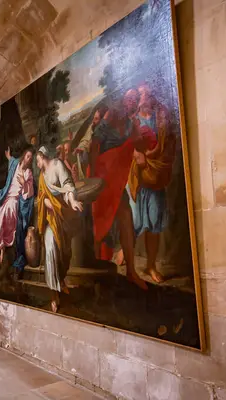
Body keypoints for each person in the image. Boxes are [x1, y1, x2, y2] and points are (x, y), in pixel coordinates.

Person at [89, 88, 149, 290]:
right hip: (101, 177)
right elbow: (95, 143)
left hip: (114, 180)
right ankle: (95, 272)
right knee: (98, 222)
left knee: (125, 215)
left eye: (136, 100)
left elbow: (138, 146)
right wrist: (93, 179)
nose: (132, 103)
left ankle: (131, 271)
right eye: (130, 99)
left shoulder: (132, 124)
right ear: (124, 100)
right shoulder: (111, 115)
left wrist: (141, 137)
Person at [127, 84, 176, 283]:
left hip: (155, 178)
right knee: (134, 221)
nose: (144, 96)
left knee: (154, 222)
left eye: (147, 93)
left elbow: (169, 144)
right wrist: (136, 155)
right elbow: (124, 147)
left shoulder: (161, 118)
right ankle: (128, 258)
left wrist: (152, 160)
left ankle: (150, 266)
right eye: (141, 94)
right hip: (138, 178)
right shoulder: (132, 122)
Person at [36, 146, 83, 312]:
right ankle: (53, 294)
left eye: (37, 159)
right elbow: (40, 198)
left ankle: (60, 280)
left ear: (43, 156)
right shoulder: (41, 176)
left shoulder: (57, 165)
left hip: (63, 215)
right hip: (51, 219)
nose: (37, 163)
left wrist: (73, 201)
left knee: (64, 252)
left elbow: (68, 186)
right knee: (50, 249)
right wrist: (44, 202)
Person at [0, 147, 35, 273]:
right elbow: (11, 160)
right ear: (24, 156)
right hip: (7, 195)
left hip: (15, 198)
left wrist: (24, 183)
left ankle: (5, 246)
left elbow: (29, 191)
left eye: (30, 158)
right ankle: (1, 247)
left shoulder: (28, 173)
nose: (28, 159)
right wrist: (8, 156)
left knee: (9, 209)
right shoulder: (16, 163)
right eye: (27, 156)